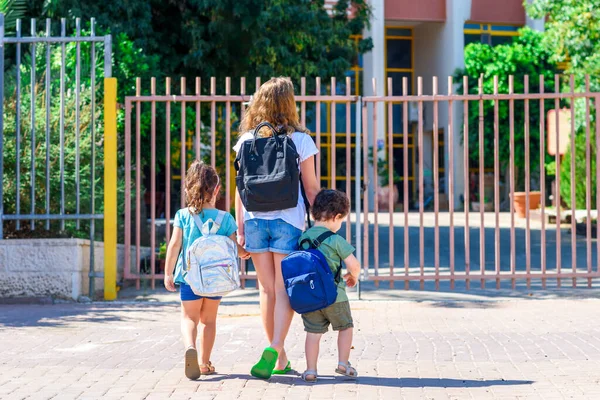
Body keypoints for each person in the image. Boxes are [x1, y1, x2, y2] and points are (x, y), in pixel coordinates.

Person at [233, 77, 320, 379]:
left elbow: (239, 189)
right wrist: (323, 226)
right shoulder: (301, 140)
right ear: (290, 103)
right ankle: (275, 347)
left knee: (266, 289)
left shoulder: (246, 140)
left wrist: (240, 229)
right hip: (288, 220)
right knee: (284, 289)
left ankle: (280, 359)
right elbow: (311, 190)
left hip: (254, 218)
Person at [164, 161, 250, 380]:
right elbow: (233, 249)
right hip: (216, 280)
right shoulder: (226, 218)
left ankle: (190, 347)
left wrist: (168, 273)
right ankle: (204, 363)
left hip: (189, 278)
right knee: (209, 321)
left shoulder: (183, 215)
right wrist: (245, 253)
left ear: (188, 188)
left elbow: (174, 245)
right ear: (217, 190)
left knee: (189, 318)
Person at [298, 189, 360, 382]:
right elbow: (354, 265)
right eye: (341, 221)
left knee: (313, 333)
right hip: (335, 296)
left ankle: (310, 370)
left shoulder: (303, 239)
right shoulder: (335, 239)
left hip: (311, 299)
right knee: (345, 327)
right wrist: (353, 276)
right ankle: (343, 362)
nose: (340, 224)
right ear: (336, 216)